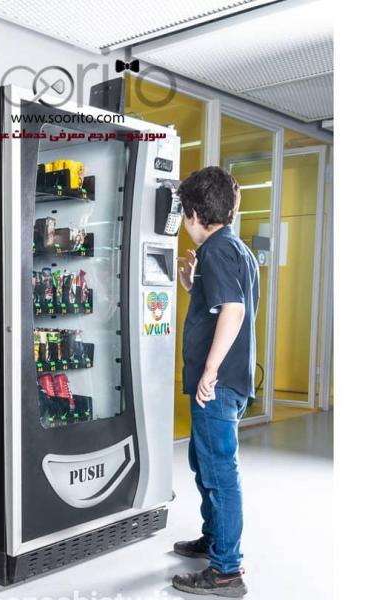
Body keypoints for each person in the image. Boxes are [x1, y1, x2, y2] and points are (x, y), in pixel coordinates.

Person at [171, 166, 259, 598]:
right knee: (205, 464)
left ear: (192, 214)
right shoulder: (235, 248)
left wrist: (209, 371)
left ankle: (226, 571)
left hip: (218, 386)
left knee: (220, 472)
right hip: (229, 383)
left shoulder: (216, 250)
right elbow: (225, 304)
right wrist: (194, 287)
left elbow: (234, 311)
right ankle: (214, 541)